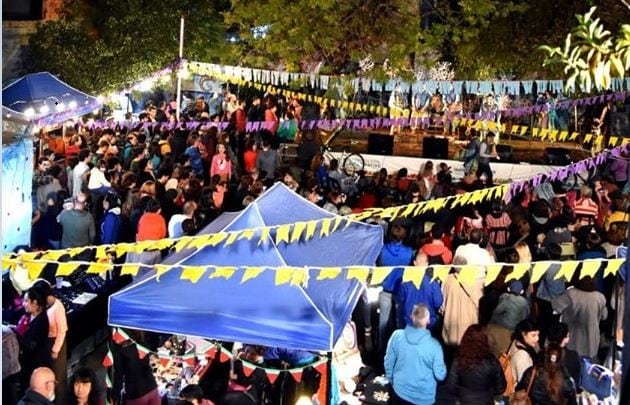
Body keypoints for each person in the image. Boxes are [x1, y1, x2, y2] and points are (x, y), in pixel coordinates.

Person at [385, 304, 447, 404]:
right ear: (428, 321)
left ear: (412, 317)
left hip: (399, 392)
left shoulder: (397, 336)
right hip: (423, 399)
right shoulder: (435, 346)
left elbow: (388, 361)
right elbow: (440, 375)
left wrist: (391, 380)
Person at [444, 325, 506, 404]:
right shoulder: (492, 361)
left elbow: (450, 385)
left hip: (463, 400)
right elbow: (501, 388)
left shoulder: (459, 359)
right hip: (485, 401)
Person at [551, 276, 607, 359]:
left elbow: (555, 306)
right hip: (592, 339)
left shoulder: (571, 294)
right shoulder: (600, 297)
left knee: (572, 361)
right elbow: (604, 316)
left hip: (573, 337)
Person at [33, 280, 68, 405]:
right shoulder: (46, 306)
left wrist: (55, 349)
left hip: (56, 343)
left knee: (58, 377)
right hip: (48, 342)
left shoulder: (58, 307)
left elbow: (62, 331)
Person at [18, 287, 52, 392]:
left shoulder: (41, 321)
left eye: (26, 301)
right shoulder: (29, 316)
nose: (23, 304)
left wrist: (15, 336)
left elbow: (31, 345)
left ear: (35, 303)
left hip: (34, 365)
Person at [508, 319, 541, 385]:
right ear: (523, 334)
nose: (537, 338)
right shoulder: (522, 357)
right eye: (533, 335)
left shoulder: (516, 341)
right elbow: (526, 383)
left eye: (538, 335)